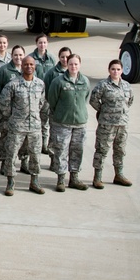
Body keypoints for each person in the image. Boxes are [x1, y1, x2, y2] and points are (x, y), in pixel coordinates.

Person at [0, 56, 46, 196]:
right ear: (22, 66)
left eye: (31, 64)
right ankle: (11, 182)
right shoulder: (13, 84)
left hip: (35, 127)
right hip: (17, 126)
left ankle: (34, 181)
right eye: (26, 64)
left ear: (35, 66)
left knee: (35, 155)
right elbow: (4, 103)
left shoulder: (40, 84)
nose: (29, 67)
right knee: (11, 154)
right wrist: (12, 117)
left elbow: (42, 103)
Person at [47, 54, 91, 192]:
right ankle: (60, 179)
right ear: (67, 64)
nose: (73, 67)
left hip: (80, 123)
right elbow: (52, 100)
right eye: (71, 64)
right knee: (61, 151)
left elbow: (86, 98)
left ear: (80, 65)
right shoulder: (58, 81)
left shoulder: (85, 81)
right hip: (62, 123)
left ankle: (74, 178)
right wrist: (62, 113)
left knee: (77, 151)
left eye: (76, 64)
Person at [88, 59, 134, 188]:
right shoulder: (103, 85)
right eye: (113, 69)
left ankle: (119, 174)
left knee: (120, 150)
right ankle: (97, 177)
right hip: (106, 125)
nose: (116, 71)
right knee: (102, 150)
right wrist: (104, 111)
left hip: (122, 124)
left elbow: (130, 101)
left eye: (118, 69)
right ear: (109, 70)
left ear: (122, 71)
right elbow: (93, 100)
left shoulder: (126, 86)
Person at [0, 45, 25, 171]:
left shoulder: (27, 69)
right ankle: (4, 162)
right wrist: (5, 105)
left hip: (23, 113)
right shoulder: (4, 70)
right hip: (7, 112)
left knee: (23, 139)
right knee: (6, 137)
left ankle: (24, 162)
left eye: (20, 55)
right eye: (16, 55)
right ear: (11, 56)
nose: (18, 57)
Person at [28, 34, 56, 154]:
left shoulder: (51, 58)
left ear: (47, 43)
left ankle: (44, 144)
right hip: (34, 94)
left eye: (44, 42)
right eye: (40, 42)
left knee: (45, 122)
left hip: (47, 95)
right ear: (36, 43)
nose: (42, 45)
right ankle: (32, 145)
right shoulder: (31, 58)